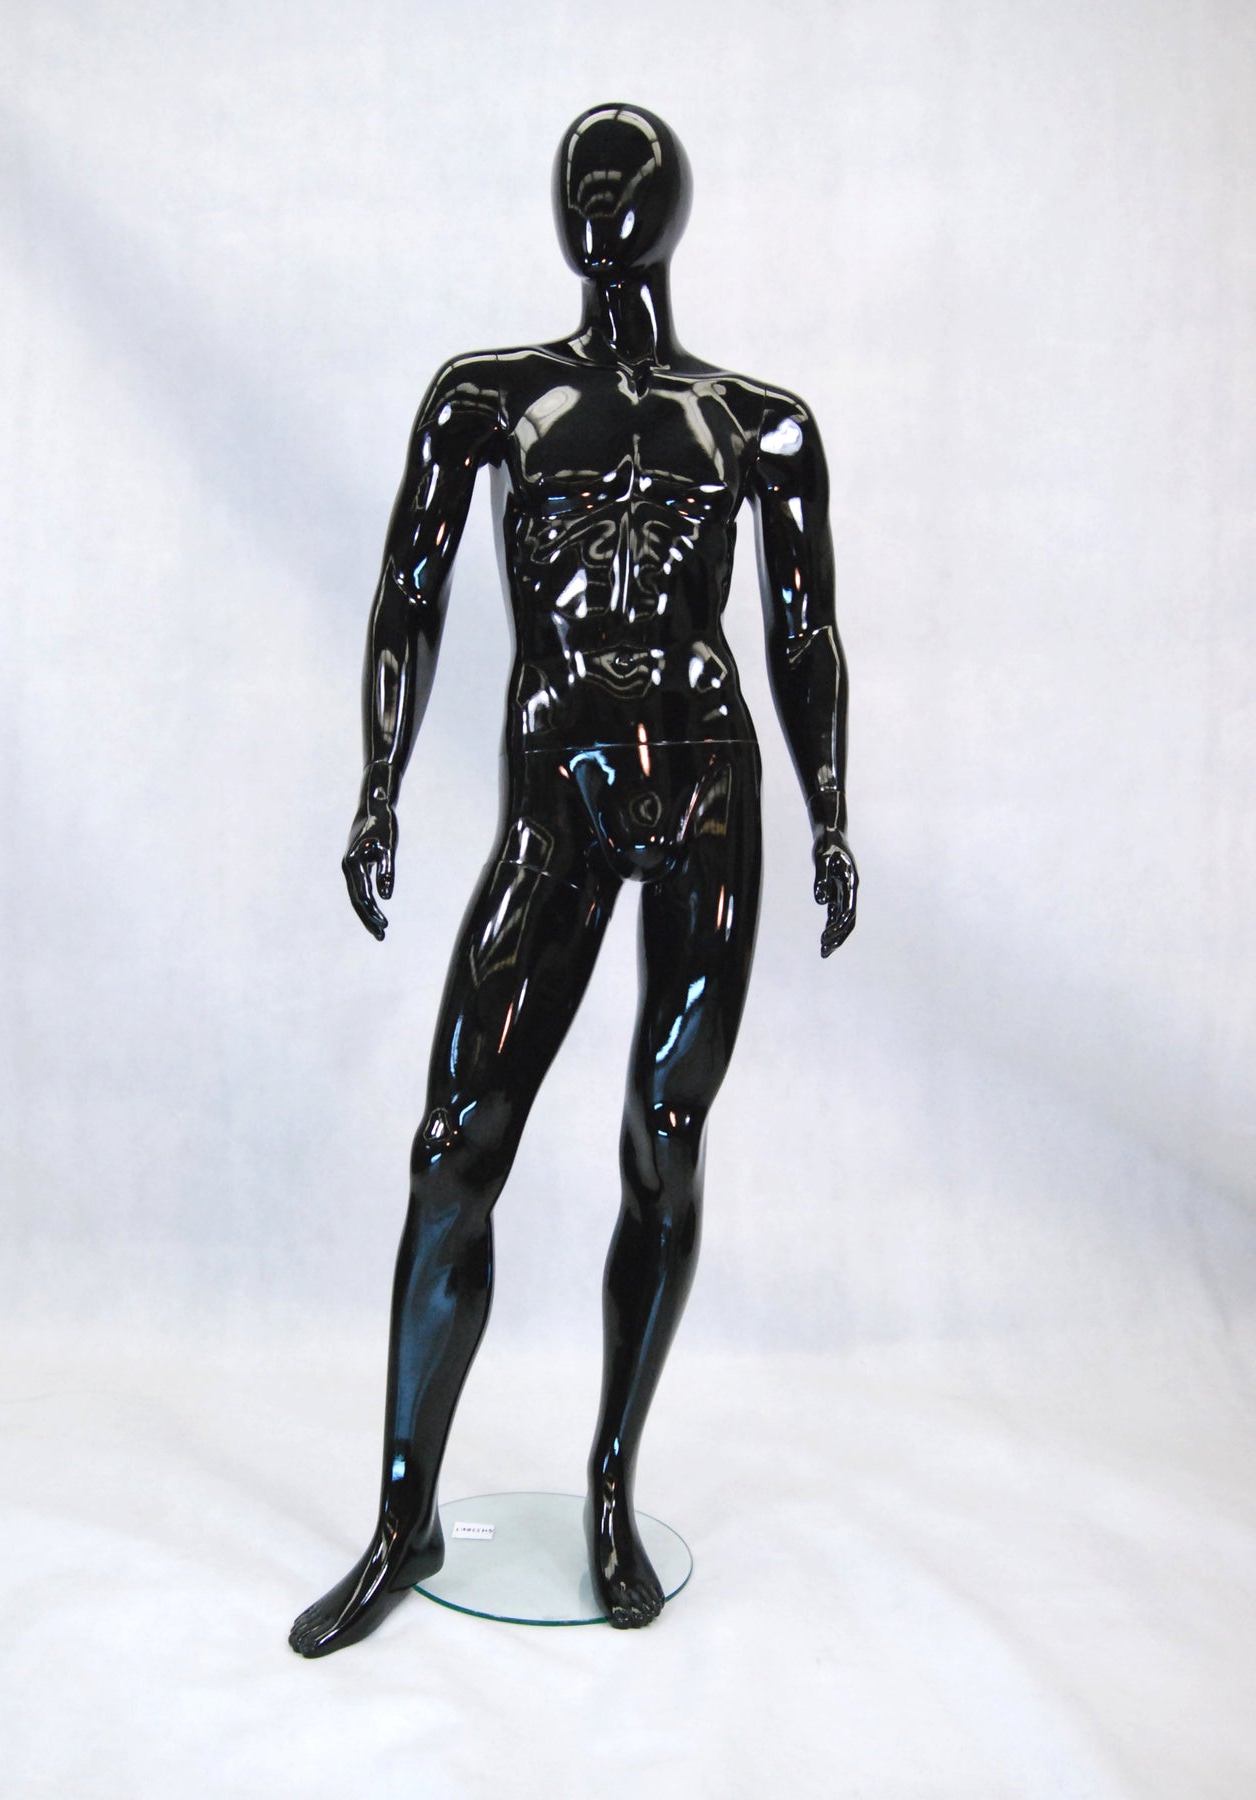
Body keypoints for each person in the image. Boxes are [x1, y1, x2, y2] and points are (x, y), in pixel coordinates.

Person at [289, 102, 857, 1657]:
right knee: (455, 1142)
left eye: (625, 184)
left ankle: (610, 1490)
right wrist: (377, 781)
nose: (599, 204)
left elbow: (803, 635)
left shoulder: (757, 422)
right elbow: (408, 586)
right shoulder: (488, 400)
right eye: (580, 182)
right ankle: (401, 1519)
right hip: (557, 792)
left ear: (674, 211)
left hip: (706, 790)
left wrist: (829, 814)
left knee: (663, 1141)